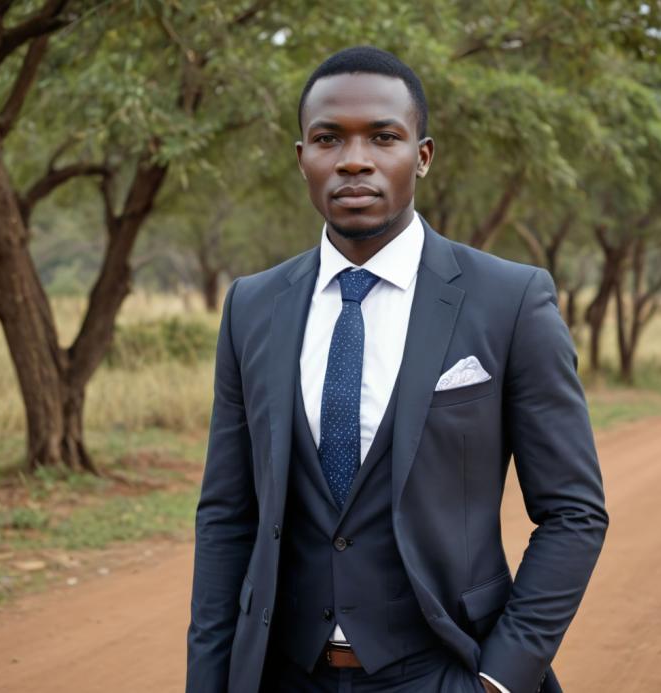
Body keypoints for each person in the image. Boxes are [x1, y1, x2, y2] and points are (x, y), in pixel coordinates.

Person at [186, 46, 607, 693]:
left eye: (383, 136)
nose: (354, 159)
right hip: (280, 673)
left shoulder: (508, 300)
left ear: (423, 155)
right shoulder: (253, 305)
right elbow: (226, 516)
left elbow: (574, 510)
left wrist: (500, 678)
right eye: (329, 138)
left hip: (443, 670)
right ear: (303, 159)